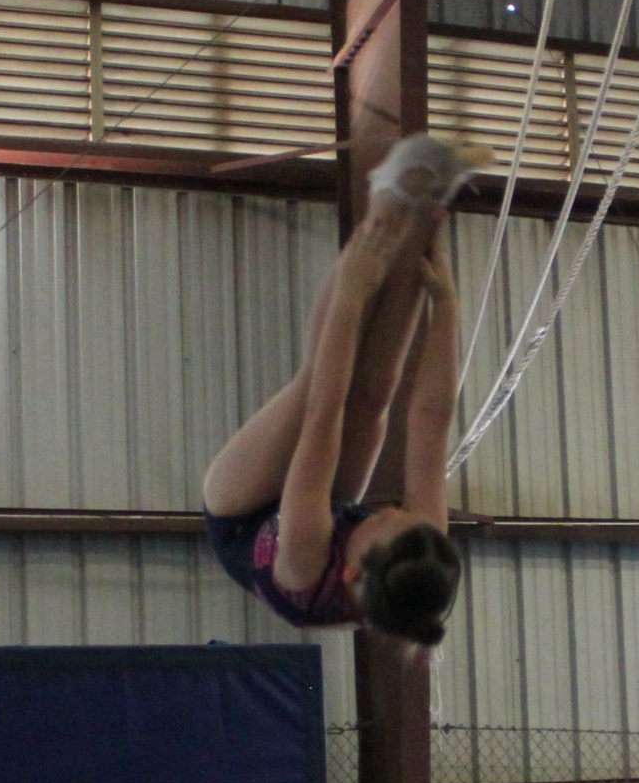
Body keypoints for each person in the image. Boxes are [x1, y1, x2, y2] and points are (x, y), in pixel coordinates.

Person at [202, 134, 485, 646]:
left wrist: (352, 294)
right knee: (376, 397)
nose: (394, 510)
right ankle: (421, 207)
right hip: (325, 513)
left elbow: (322, 410)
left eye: (387, 521)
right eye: (405, 517)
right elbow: (430, 416)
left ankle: (385, 199)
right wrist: (444, 302)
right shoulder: (418, 546)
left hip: (240, 519)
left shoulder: (307, 558)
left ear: (354, 572)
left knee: (316, 380)